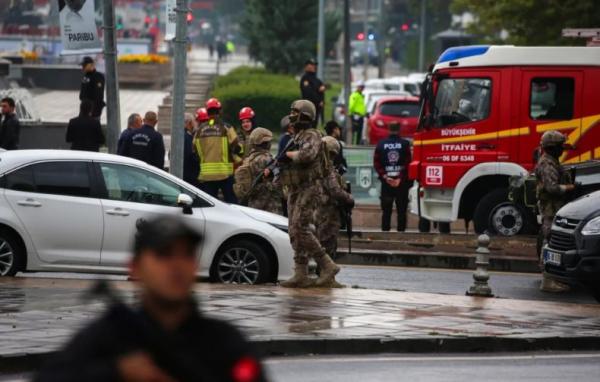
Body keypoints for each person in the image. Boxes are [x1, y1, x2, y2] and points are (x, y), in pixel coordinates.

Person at [33, 216, 267, 382]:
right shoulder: (108, 337)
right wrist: (116, 372)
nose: (176, 266)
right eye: (163, 254)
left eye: (186, 254)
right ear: (135, 268)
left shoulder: (222, 341)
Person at [279, 100, 338, 288]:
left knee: (301, 227)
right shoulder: (297, 137)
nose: (291, 115)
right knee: (294, 230)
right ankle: (300, 273)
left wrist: (287, 156)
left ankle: (327, 265)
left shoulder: (312, 135)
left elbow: (306, 156)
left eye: (295, 112)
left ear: (305, 115)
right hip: (296, 188)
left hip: (310, 187)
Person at [535, 130, 576, 293]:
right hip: (551, 208)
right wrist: (571, 187)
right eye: (560, 147)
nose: (562, 150)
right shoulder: (547, 164)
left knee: (551, 240)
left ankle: (552, 277)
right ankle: (547, 280)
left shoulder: (552, 161)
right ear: (552, 148)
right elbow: (552, 188)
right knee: (550, 241)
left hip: (556, 207)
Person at [193, 98, 241, 203]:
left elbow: (195, 150)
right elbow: (237, 147)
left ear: (207, 111)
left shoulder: (199, 131)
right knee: (231, 204)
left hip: (206, 175)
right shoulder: (226, 127)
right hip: (225, 173)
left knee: (210, 206)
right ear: (219, 111)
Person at [317, 136, 354, 273]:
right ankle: (326, 275)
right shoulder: (327, 170)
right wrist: (349, 198)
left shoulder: (315, 168)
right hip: (329, 213)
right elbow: (336, 192)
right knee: (328, 246)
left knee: (321, 244)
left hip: (318, 212)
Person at [234, 128, 283, 215]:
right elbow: (278, 184)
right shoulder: (266, 159)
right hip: (269, 205)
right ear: (266, 143)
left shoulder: (248, 159)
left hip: (253, 204)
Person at [374, 121, 412, 232]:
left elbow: (377, 163)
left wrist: (385, 177)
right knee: (401, 211)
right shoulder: (405, 144)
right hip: (401, 184)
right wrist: (400, 177)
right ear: (399, 129)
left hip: (386, 184)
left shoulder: (381, 144)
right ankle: (401, 234)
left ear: (388, 129)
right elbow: (408, 163)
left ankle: (385, 233)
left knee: (386, 211)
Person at [299, 58, 325, 125]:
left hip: (316, 108)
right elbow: (308, 92)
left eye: (314, 65)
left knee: (314, 126)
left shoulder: (317, 80)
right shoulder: (305, 78)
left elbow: (322, 91)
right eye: (311, 64)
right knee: (307, 125)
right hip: (308, 107)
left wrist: (321, 100)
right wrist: (318, 91)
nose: (314, 66)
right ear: (306, 66)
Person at [183, 113, 200, 187]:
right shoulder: (187, 137)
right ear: (190, 123)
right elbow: (191, 155)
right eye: (194, 121)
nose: (196, 124)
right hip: (190, 178)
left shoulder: (180, 135)